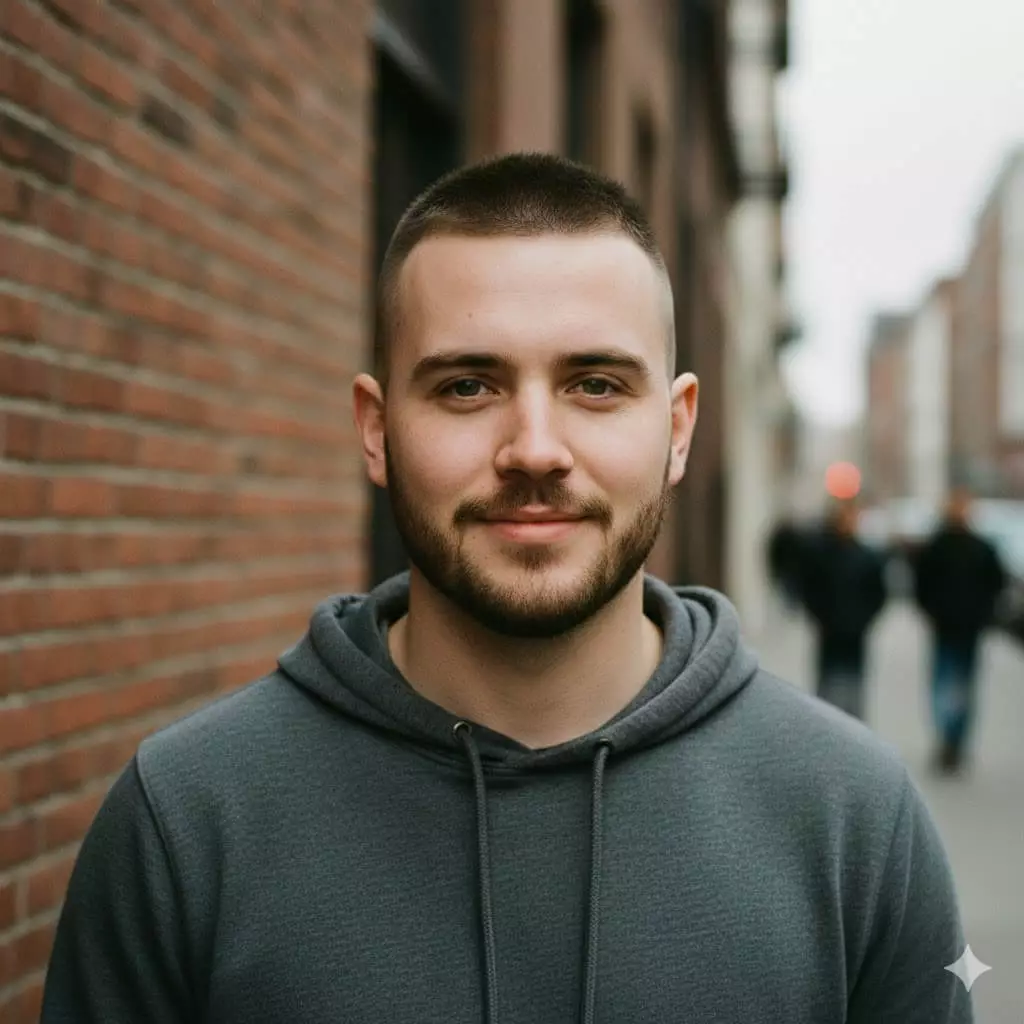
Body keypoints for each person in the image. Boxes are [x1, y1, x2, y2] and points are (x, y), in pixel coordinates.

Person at [42, 154, 973, 1023]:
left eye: (597, 385)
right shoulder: (186, 823)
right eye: (466, 388)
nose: (534, 449)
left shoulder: (854, 821)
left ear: (678, 428)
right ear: (376, 428)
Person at [912, 488, 1007, 774]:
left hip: (970, 628)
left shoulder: (981, 547)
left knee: (963, 685)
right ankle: (946, 737)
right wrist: (931, 612)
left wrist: (984, 614)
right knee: (944, 683)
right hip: (944, 627)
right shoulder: (936, 546)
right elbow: (921, 584)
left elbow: (995, 585)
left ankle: (957, 740)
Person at [797, 501, 888, 721]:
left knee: (854, 685)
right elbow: (810, 589)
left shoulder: (866, 556)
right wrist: (820, 617)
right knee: (828, 685)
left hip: (855, 632)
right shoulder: (821, 555)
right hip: (830, 630)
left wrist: (864, 619)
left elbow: (878, 593)